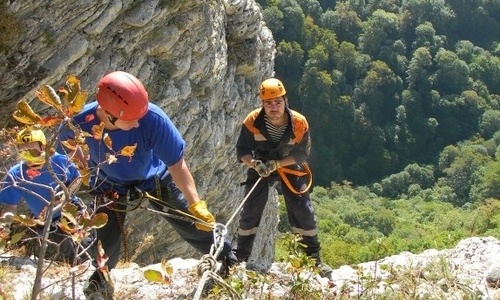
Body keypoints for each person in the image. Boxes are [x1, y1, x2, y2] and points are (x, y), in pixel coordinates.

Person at [57, 71, 233, 299]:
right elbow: (67, 144)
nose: (137, 122)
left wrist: (195, 204)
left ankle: (227, 257)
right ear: (108, 115)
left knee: (190, 220)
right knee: (105, 235)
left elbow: (177, 164)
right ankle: (102, 278)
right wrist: (85, 167)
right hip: (108, 182)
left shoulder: (152, 119)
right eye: (130, 119)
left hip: (153, 178)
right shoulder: (80, 122)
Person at [233, 78, 333, 278]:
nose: (274, 107)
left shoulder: (298, 123)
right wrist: (255, 164)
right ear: (262, 104)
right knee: (251, 208)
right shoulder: (252, 121)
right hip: (261, 164)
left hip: (288, 165)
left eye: (277, 102)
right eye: (269, 103)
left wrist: (278, 164)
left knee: (302, 209)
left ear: (285, 101)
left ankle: (314, 260)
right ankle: (240, 257)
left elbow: (301, 154)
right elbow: (242, 150)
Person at [0, 127, 87, 264]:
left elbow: (76, 178)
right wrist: (5, 224)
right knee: (67, 258)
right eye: (23, 148)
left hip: (72, 212)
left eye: (32, 147)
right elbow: (11, 205)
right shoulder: (16, 174)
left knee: (86, 251)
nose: (28, 152)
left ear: (42, 146)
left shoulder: (59, 161)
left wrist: (65, 194)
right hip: (46, 222)